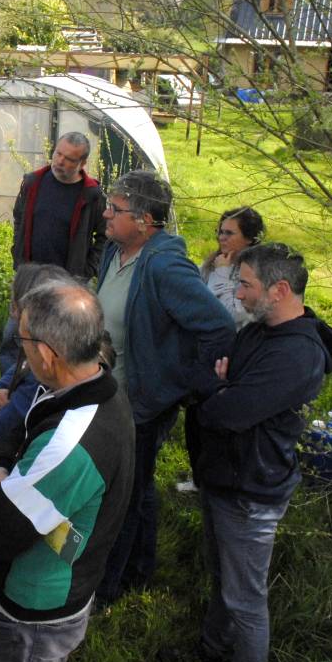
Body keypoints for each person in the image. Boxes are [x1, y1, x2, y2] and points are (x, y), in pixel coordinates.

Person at [186, 243, 332, 662]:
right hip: (224, 476)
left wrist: (220, 390)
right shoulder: (258, 332)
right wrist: (219, 389)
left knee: (245, 599)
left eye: (247, 284)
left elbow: (227, 412)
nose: (238, 293)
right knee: (222, 577)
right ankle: (213, 649)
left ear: (280, 290)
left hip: (251, 492)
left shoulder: (297, 355)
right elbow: (209, 381)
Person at [0, 281, 134, 662]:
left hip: (35, 606)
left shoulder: (69, 445)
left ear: (46, 353)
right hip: (71, 581)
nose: (20, 350)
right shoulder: (97, 388)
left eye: (22, 340)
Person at [94, 169, 236, 606]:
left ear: (144, 221)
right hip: (111, 397)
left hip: (141, 404)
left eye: (115, 209)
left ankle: (109, 589)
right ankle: (138, 570)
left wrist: (184, 383)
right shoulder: (114, 252)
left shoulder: (164, 265)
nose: (106, 214)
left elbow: (218, 327)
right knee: (134, 488)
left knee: (121, 497)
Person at [0, 132, 107, 374]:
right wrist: (18, 254)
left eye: (69, 159)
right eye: (58, 154)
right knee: (14, 336)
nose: (60, 161)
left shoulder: (91, 195)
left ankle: (51, 386)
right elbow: (19, 218)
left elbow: (104, 236)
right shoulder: (33, 183)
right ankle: (9, 386)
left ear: (82, 163)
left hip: (67, 281)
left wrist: (87, 269)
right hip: (29, 275)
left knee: (57, 340)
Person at [0, 262, 73, 455]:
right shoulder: (49, 344)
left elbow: (9, 425)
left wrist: (1, 413)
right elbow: (17, 369)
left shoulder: (43, 364)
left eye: (14, 301)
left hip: (29, 453)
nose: (11, 310)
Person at [200, 207, 265, 329]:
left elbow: (233, 314)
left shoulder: (257, 272)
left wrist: (221, 272)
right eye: (221, 232)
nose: (221, 237)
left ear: (249, 238)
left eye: (229, 233)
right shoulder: (213, 263)